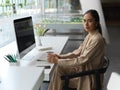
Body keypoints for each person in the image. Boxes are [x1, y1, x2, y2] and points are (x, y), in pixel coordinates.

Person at [47, 9, 106, 90]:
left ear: (96, 23)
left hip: (89, 76)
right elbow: (76, 53)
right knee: (59, 68)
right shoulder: (90, 35)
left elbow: (82, 59)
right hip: (84, 69)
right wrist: (60, 57)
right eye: (84, 21)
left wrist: (58, 61)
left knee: (59, 72)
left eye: (90, 21)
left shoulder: (97, 39)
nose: (86, 24)